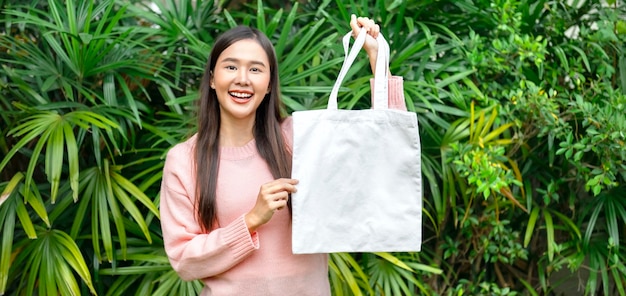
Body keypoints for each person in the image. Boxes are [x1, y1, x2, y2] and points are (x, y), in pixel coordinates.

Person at [159, 15, 407, 296]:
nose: (242, 79)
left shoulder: (299, 137)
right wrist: (251, 220)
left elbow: (386, 148)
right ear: (213, 79)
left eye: (255, 69)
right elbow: (184, 260)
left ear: (269, 84)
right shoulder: (183, 160)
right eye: (231, 67)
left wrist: (376, 57)